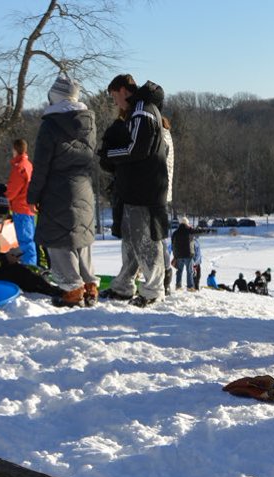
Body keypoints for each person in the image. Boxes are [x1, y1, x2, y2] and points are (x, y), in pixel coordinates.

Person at [98, 74, 172, 307]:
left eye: (113, 96)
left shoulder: (142, 110)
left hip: (146, 190)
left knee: (146, 241)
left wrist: (108, 155)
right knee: (131, 241)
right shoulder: (138, 111)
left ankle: (153, 290)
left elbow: (137, 149)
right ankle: (123, 286)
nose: (115, 102)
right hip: (136, 188)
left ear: (122, 90)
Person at [30, 73, 102, 308]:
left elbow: (41, 165)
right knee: (81, 237)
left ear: (55, 96)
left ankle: (72, 291)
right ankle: (90, 286)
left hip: (57, 188)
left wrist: (33, 195)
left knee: (59, 239)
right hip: (84, 186)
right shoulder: (88, 123)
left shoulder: (50, 125)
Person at [7, 138, 39, 267]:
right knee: (30, 240)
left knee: (25, 241)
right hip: (29, 207)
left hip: (21, 207)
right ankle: (32, 265)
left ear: (15, 149)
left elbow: (13, 190)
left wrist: (6, 197)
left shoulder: (19, 167)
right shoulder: (29, 165)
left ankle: (30, 268)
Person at [170, 219, 202, 291]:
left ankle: (178, 286)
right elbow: (198, 233)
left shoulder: (175, 233)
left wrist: (175, 255)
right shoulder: (189, 231)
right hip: (188, 255)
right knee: (189, 271)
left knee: (179, 271)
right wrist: (192, 228)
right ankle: (190, 287)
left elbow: (172, 244)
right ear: (187, 224)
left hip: (178, 255)